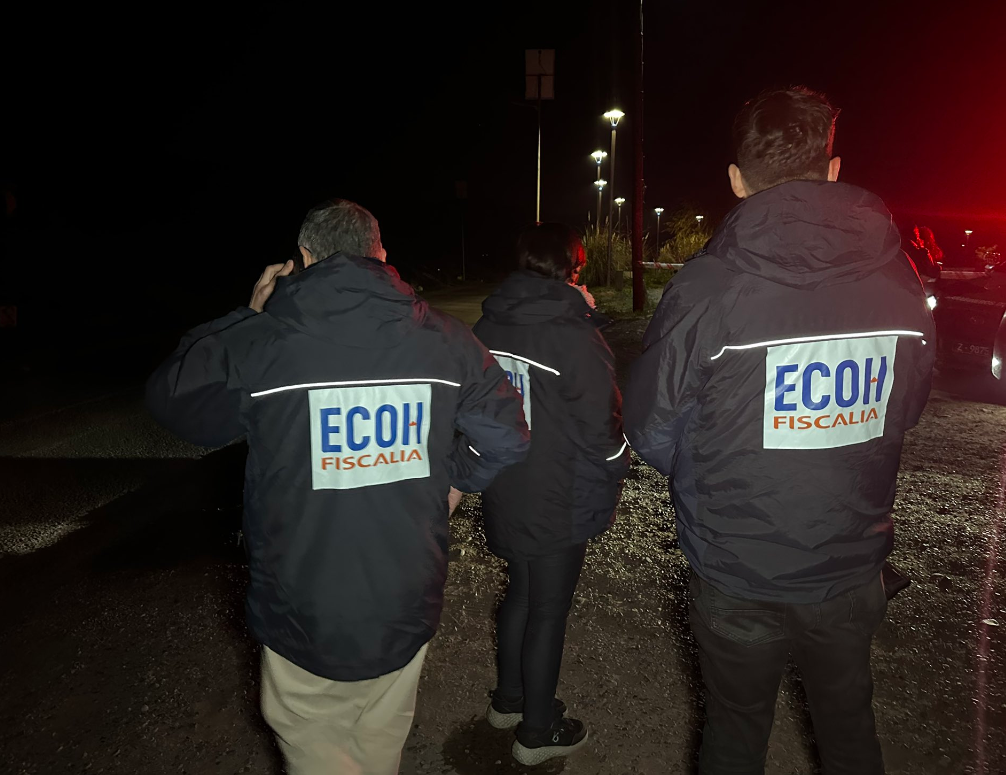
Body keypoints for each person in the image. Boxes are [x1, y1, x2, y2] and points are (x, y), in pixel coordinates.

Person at [145, 199, 530, 775]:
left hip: (303, 607)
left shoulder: (262, 342)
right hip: (405, 597)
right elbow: (507, 435)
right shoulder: (447, 340)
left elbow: (173, 400)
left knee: (316, 745)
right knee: (380, 741)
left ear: (303, 258)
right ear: (382, 254)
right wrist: (454, 481)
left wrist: (248, 313)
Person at [623, 88, 935, 775]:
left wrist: (720, 468)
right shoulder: (899, 281)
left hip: (738, 567)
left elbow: (650, 427)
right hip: (850, 562)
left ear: (737, 181)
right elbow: (905, 406)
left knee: (734, 735)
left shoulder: (708, 288)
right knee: (850, 729)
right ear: (833, 169)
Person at [470, 223, 630, 766]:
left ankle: (509, 700)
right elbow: (603, 423)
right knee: (548, 609)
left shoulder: (489, 323)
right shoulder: (571, 334)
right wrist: (618, 469)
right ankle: (537, 732)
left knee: (522, 590)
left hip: (508, 483)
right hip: (558, 491)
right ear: (573, 268)